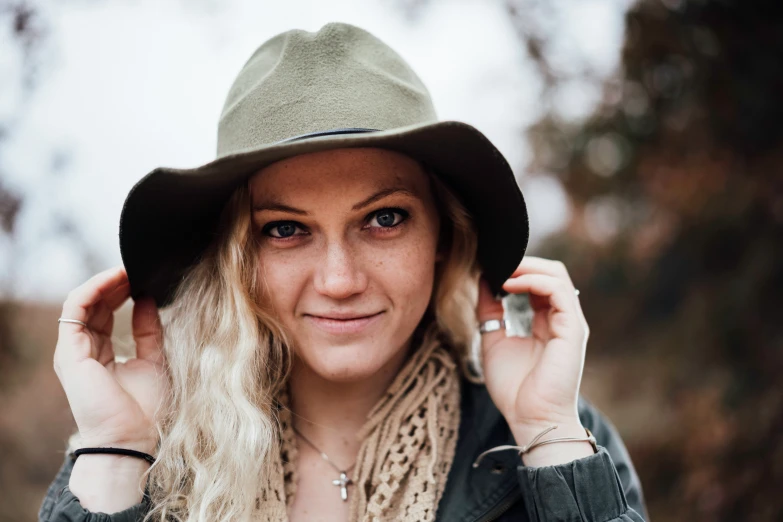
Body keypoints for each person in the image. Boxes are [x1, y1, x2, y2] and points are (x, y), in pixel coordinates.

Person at [39, 22, 648, 522]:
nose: (338, 280)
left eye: (384, 218)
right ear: (238, 259)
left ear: (443, 234)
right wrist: (118, 451)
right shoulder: (158, 459)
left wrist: (546, 437)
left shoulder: (560, 437)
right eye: (285, 229)